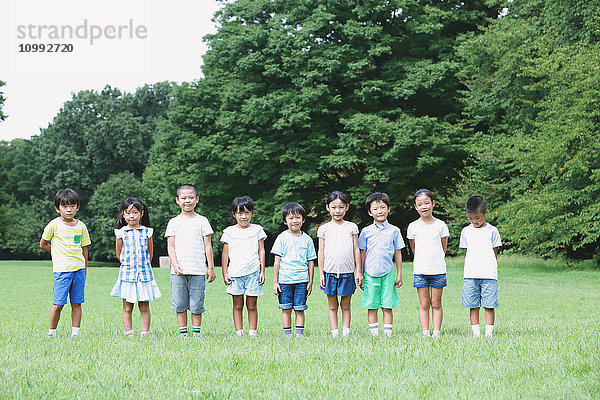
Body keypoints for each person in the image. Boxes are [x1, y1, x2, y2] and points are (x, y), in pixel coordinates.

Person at [165, 184, 216, 338]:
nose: (187, 201)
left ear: (197, 199)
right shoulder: (173, 222)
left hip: (198, 269)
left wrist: (211, 267)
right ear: (177, 200)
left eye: (191, 197)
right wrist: (174, 264)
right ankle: (183, 333)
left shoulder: (202, 221)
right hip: (178, 271)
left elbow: (208, 245)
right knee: (180, 303)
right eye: (184, 198)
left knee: (196, 303)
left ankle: (196, 332)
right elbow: (171, 246)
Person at [40, 188, 91, 338]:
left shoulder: (81, 226)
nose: (68, 210)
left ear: (77, 207)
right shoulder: (53, 225)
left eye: (72, 206)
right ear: (57, 208)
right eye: (64, 206)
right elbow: (43, 244)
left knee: (77, 303)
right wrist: (57, 252)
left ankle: (75, 334)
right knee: (58, 304)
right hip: (62, 271)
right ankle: (51, 333)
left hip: (79, 270)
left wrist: (85, 269)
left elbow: (84, 249)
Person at [110, 197, 162, 337]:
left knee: (144, 306)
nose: (131, 216)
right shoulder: (121, 232)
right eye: (128, 212)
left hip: (144, 274)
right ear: (123, 214)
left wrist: (143, 265)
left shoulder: (147, 232)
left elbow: (150, 254)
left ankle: (145, 332)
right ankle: (129, 332)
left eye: (135, 212)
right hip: (127, 274)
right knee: (127, 306)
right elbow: (118, 253)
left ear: (142, 213)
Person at [358, 192, 404, 337]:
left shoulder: (394, 231)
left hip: (388, 272)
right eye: (376, 209)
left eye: (383, 207)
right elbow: (362, 253)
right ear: (370, 212)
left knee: (387, 305)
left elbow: (398, 253)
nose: (380, 211)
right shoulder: (366, 231)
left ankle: (388, 334)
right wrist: (360, 273)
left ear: (388, 209)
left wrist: (399, 274)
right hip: (370, 273)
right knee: (371, 305)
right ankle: (374, 334)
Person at [220, 196, 267, 337]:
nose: (244, 216)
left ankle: (252, 332)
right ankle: (239, 332)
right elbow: (225, 253)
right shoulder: (229, 232)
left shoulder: (257, 230)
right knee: (237, 305)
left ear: (252, 213)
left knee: (252, 305)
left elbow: (262, 251)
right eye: (240, 213)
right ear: (234, 214)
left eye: (247, 213)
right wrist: (225, 272)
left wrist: (262, 271)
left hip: (253, 272)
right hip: (235, 273)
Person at [317, 191, 362, 338]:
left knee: (346, 305)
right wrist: (321, 273)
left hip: (347, 272)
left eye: (341, 207)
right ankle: (335, 333)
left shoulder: (352, 227)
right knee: (332, 305)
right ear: (327, 208)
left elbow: (356, 249)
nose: (337, 211)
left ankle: (346, 333)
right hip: (329, 272)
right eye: (334, 207)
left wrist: (359, 271)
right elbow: (321, 251)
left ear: (347, 207)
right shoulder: (324, 229)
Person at [406, 189, 449, 338]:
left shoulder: (441, 225)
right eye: (420, 204)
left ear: (433, 204)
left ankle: (436, 332)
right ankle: (425, 333)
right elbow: (413, 248)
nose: (424, 207)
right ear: (415, 207)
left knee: (436, 303)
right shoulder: (413, 227)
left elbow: (444, 247)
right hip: (420, 270)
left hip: (438, 270)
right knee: (424, 304)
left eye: (426, 203)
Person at [271, 202, 317, 338]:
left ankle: (299, 335)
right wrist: (275, 282)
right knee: (285, 308)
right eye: (290, 218)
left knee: (299, 309)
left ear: (303, 220)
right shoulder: (282, 238)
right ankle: (287, 335)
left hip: (302, 280)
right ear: (285, 221)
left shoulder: (307, 240)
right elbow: (276, 262)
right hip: (284, 280)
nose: (294, 221)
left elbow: (311, 262)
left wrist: (310, 281)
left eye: (297, 217)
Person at [460, 196, 502, 338]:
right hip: (470, 274)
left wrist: (490, 267)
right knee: (473, 305)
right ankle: (476, 334)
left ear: (485, 213)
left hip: (489, 275)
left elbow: (494, 252)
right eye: (471, 218)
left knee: (489, 305)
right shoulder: (466, 231)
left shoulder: (492, 231)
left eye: (477, 218)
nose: (474, 221)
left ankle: (488, 334)